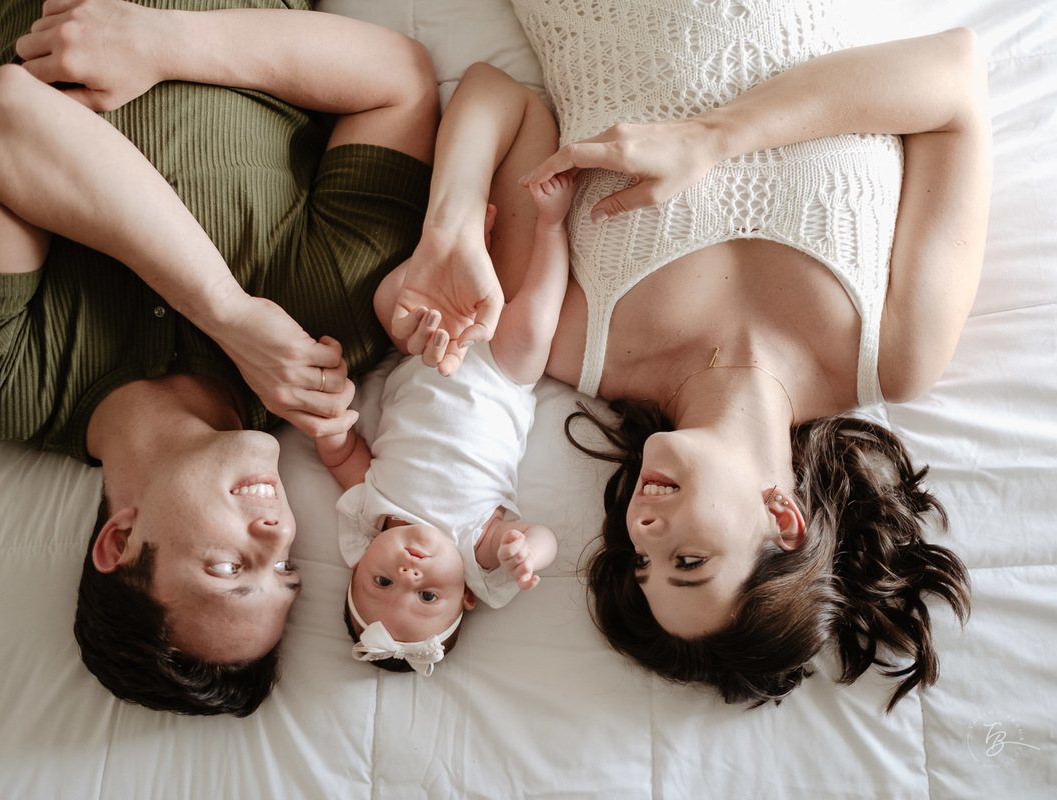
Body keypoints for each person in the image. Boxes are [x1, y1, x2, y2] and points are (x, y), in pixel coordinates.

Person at [386, 0, 989, 711]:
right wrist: (711, 138)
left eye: (643, 560)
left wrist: (448, 228)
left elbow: (500, 98)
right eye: (689, 560)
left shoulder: (575, 341)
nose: (643, 532)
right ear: (783, 519)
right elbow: (955, 79)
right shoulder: (896, 352)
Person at [0, 0, 437, 714]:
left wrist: (228, 311)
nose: (279, 532)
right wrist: (168, 41)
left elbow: (7, 120)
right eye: (284, 570)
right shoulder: (326, 337)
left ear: (121, 540)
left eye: (230, 567)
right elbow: (399, 78)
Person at [313, 171, 570, 674]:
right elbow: (544, 537)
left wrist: (330, 422)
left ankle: (467, 245)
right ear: (467, 594)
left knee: (390, 299)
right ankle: (551, 226)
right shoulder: (477, 548)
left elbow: (343, 456)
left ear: (359, 563)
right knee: (536, 326)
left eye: (382, 582)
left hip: (428, 355)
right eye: (428, 595)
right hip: (502, 376)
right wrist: (527, 553)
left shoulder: (373, 511)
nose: (409, 573)